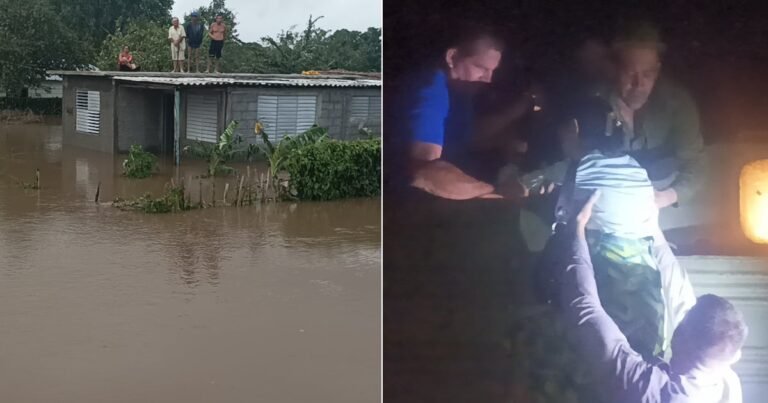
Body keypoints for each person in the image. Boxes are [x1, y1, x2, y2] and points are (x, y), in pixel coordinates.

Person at [551, 190, 746, 402]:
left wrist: (577, 228)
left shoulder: (649, 391)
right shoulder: (724, 378)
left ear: (678, 338)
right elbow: (680, 292)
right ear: (734, 355)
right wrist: (654, 227)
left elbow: (585, 310)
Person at [551, 96, 696, 359]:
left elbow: (562, 217)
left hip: (603, 276)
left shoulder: (578, 169)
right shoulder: (638, 170)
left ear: (573, 129)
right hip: (643, 289)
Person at [517, 23, 705, 211]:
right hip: (606, 204)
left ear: (657, 70)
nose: (639, 84)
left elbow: (695, 165)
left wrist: (665, 197)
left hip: (661, 203)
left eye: (648, 74)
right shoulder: (593, 104)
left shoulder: (677, 104)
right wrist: (530, 182)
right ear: (614, 69)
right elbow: (580, 161)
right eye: (630, 73)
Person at [407, 27, 505, 200]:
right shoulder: (432, 89)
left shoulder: (460, 91)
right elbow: (426, 171)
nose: (488, 79)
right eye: (481, 68)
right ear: (452, 57)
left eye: (492, 71)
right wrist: (494, 193)